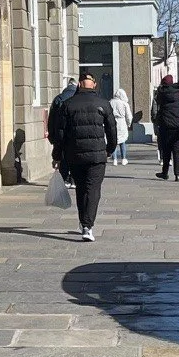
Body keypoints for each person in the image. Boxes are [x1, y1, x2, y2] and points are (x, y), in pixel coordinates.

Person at [48, 69, 119, 240]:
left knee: (81, 188)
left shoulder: (68, 105)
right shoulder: (103, 104)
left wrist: (57, 156)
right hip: (97, 156)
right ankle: (88, 225)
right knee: (93, 189)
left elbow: (60, 134)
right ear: (94, 84)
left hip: (75, 155)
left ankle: (84, 222)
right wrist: (110, 149)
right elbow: (112, 131)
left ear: (79, 84)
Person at [152, 75, 179, 181]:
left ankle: (165, 173)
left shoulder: (161, 94)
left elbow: (157, 103)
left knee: (166, 151)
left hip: (165, 126)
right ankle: (177, 175)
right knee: (177, 152)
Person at [109, 88, 133, 165]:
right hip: (122, 122)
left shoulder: (110, 102)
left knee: (114, 141)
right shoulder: (124, 104)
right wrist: (129, 124)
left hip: (113, 122)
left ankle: (115, 159)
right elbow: (129, 116)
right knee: (122, 141)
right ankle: (123, 158)